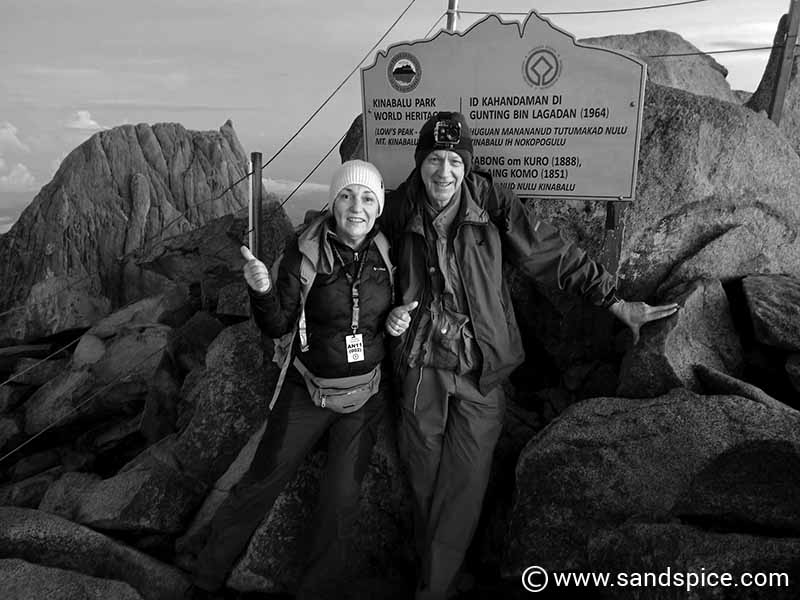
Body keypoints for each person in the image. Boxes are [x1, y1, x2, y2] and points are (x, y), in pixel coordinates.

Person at [380, 111, 679, 600]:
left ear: (467, 165)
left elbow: (550, 253)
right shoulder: (397, 208)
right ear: (419, 163)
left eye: (454, 161)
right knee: (422, 480)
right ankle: (439, 574)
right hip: (420, 365)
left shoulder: (492, 203)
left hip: (482, 370)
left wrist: (614, 300)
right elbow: (350, 241)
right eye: (434, 159)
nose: (444, 172)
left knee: (465, 485)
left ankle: (431, 587)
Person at [188, 160, 396, 599]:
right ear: (332, 201)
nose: (355, 207)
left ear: (379, 208)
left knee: (340, 503)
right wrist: (262, 291)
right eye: (345, 196)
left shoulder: (389, 254)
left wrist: (398, 322)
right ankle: (204, 577)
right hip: (307, 391)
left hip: (363, 399)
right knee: (260, 482)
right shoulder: (303, 252)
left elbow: (396, 317)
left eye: (367, 198)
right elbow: (279, 325)